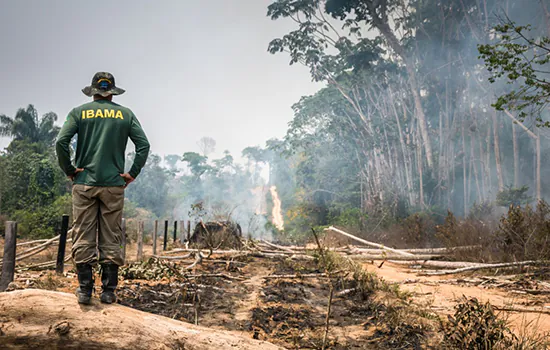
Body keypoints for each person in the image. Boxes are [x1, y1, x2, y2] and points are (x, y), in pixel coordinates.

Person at [55, 72, 150, 304]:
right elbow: (143, 145)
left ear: (93, 91)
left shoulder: (79, 112)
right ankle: (109, 291)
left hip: (84, 183)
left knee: (83, 233)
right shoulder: (125, 114)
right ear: (112, 92)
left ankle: (85, 291)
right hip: (113, 185)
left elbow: (61, 142)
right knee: (112, 234)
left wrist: (69, 170)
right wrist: (131, 173)